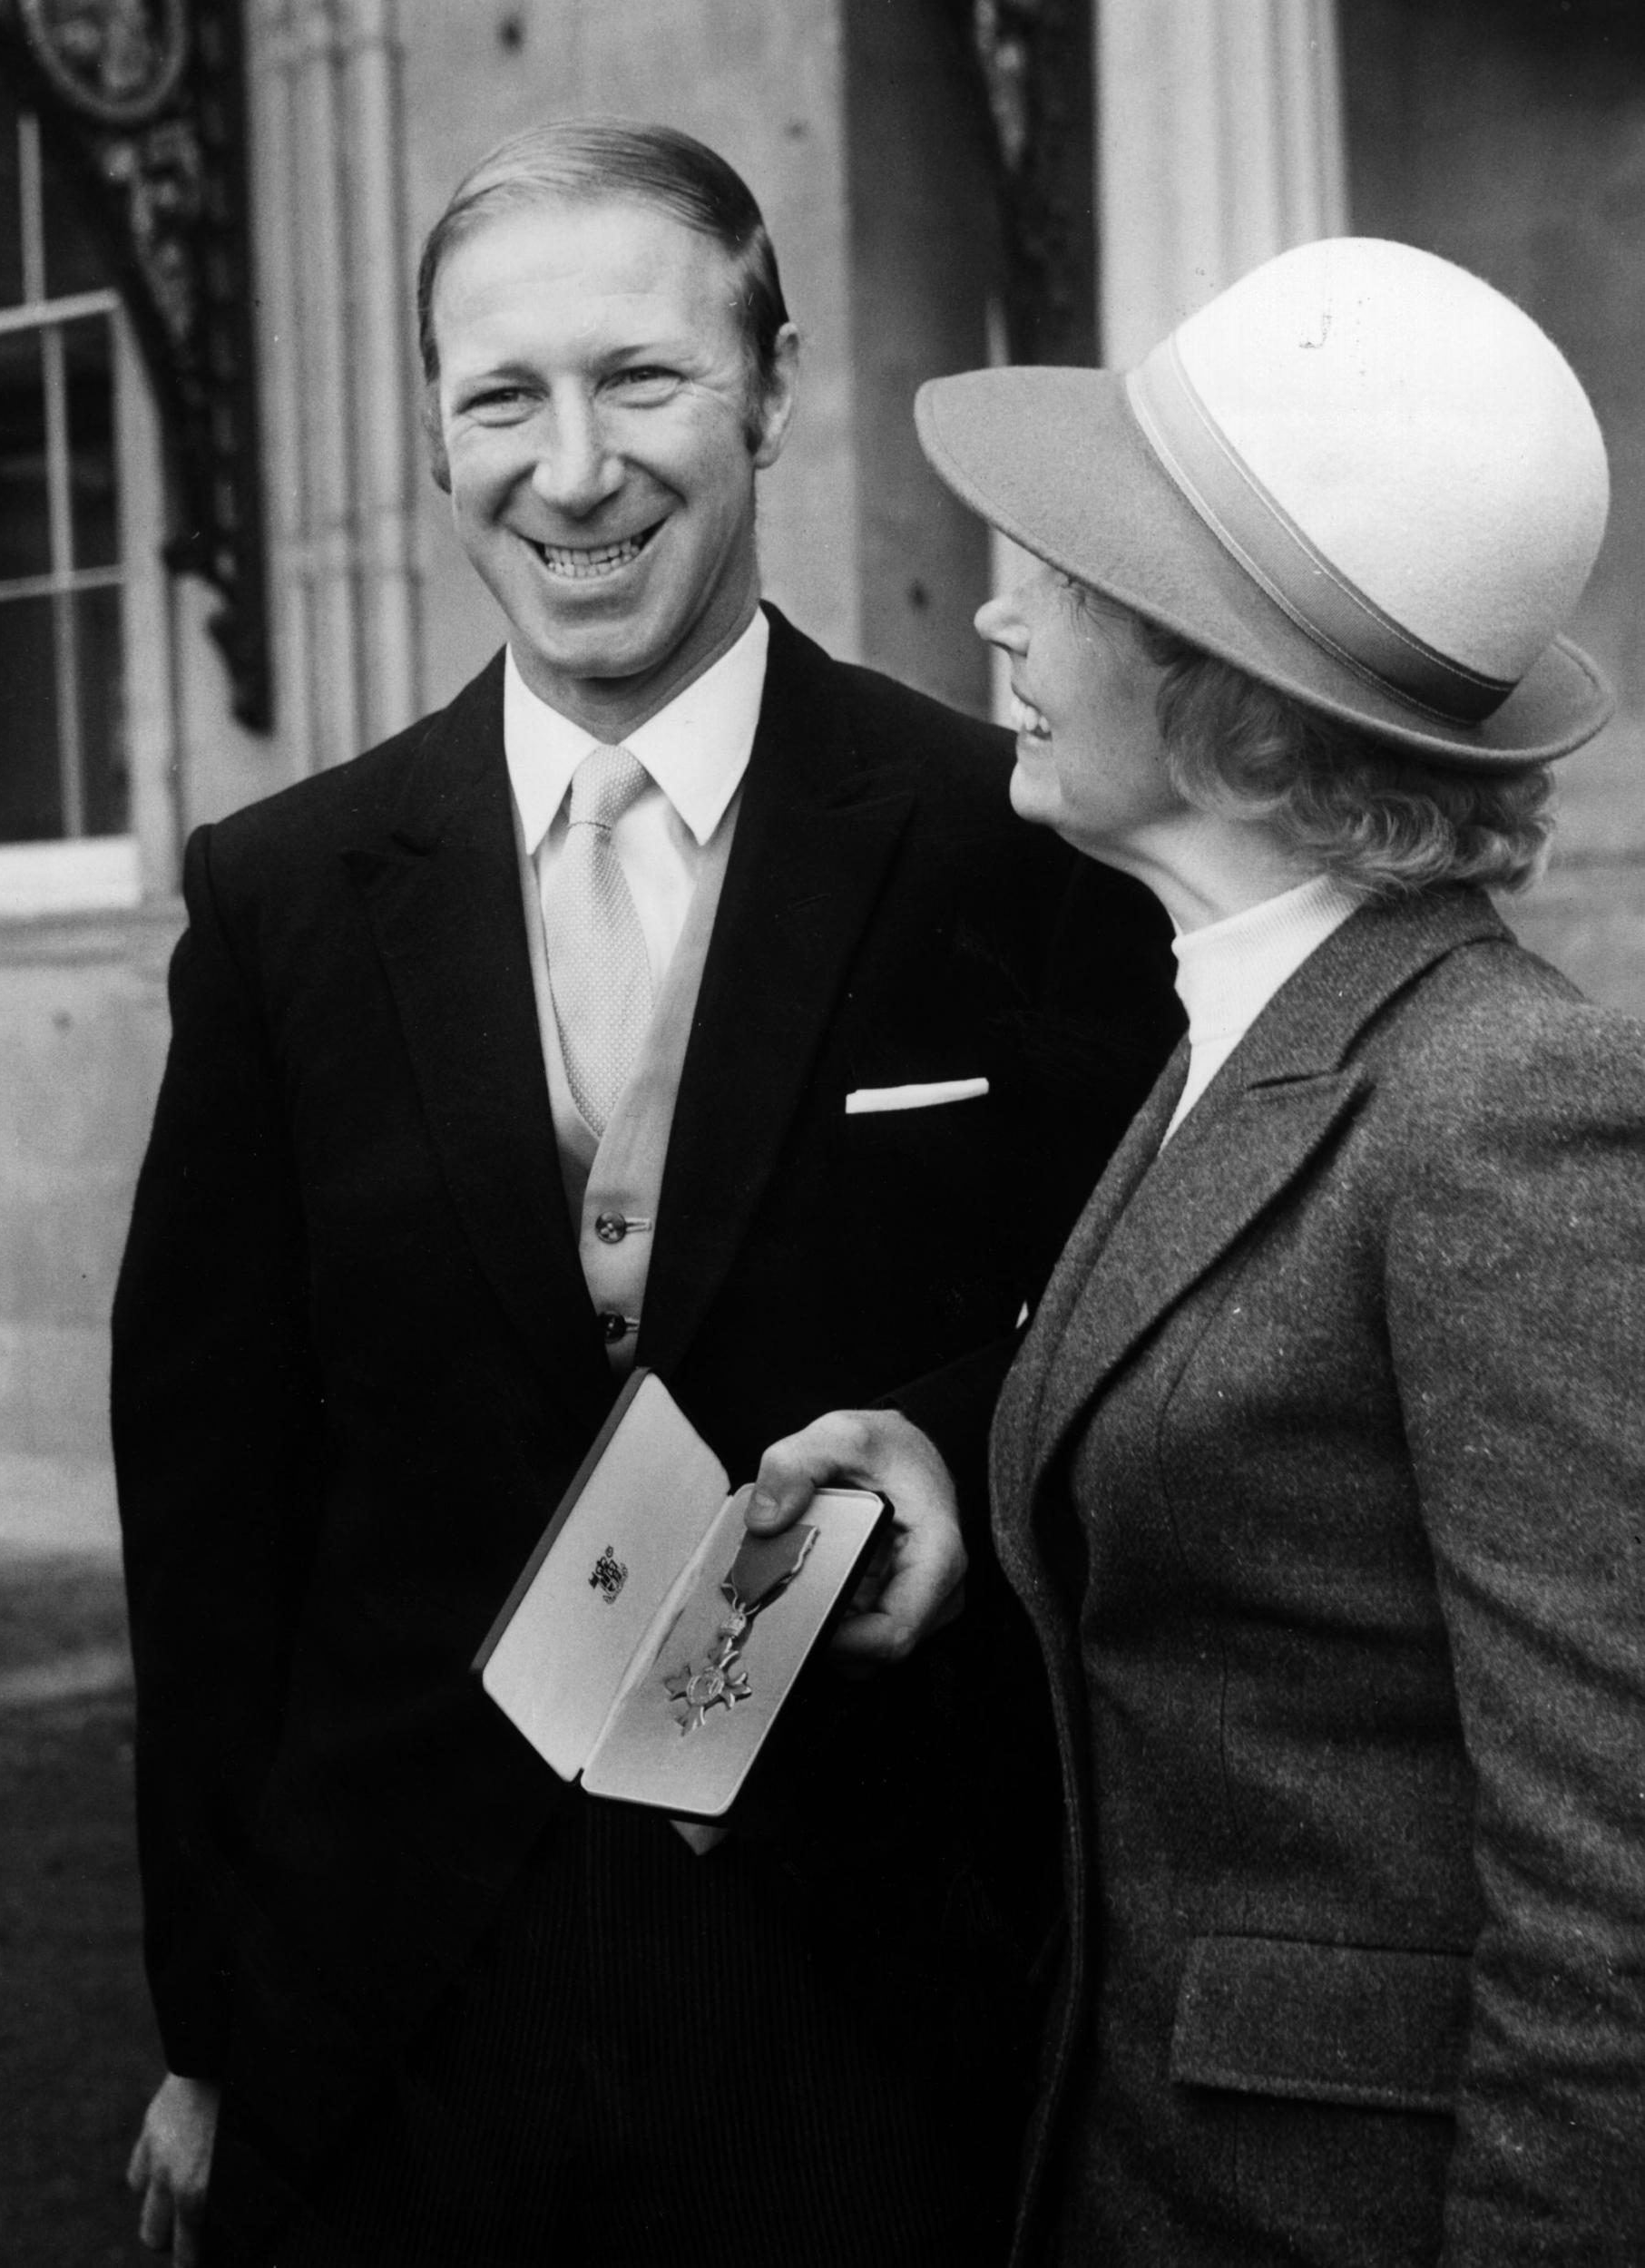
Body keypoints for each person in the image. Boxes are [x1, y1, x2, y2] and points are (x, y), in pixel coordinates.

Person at [114, 120, 1177, 2267]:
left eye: (644, 378)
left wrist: (954, 1463)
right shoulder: (283, 898)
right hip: (392, 2013)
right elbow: (210, 1505)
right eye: (501, 396)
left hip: (863, 2000)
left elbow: (1139, 1319)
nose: (572, 467)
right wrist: (209, 2028)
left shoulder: (1014, 840)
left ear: (773, 388)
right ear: (433, 435)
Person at [755, 236, 1645, 2263]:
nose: (989, 609)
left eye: (1059, 579)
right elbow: (1254, 1510)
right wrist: (973, 1476)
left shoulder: (1499, 1109)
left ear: (1219, 691)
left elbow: (1613, 1907)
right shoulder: (1236, 1032)